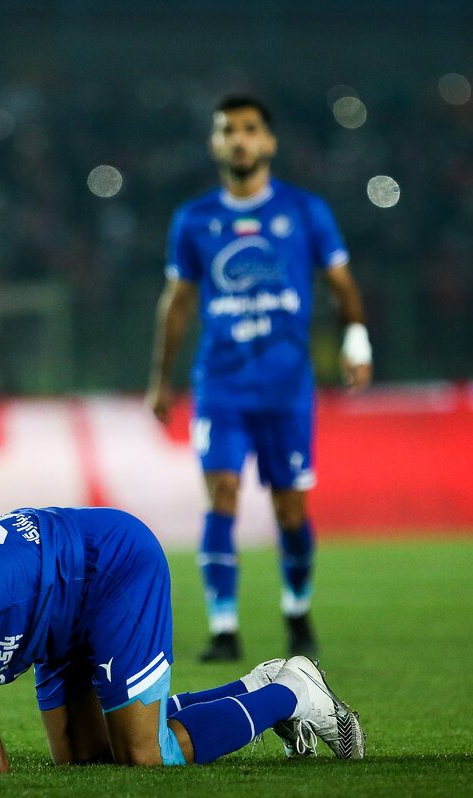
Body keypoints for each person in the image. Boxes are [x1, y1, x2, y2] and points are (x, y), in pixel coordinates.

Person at [0, 506, 364, 775]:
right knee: (86, 758)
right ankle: (254, 682)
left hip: (106, 569)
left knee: (145, 755)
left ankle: (291, 692)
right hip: (50, 603)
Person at [146, 94, 373, 663]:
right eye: (228, 130)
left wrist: (356, 338)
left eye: (250, 129)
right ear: (214, 143)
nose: (240, 139)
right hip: (221, 387)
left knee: (289, 509)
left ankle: (297, 613)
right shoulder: (194, 219)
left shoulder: (303, 211)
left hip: (286, 388)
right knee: (220, 496)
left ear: (269, 142)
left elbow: (341, 282)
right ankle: (224, 630)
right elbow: (177, 302)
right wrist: (160, 379)